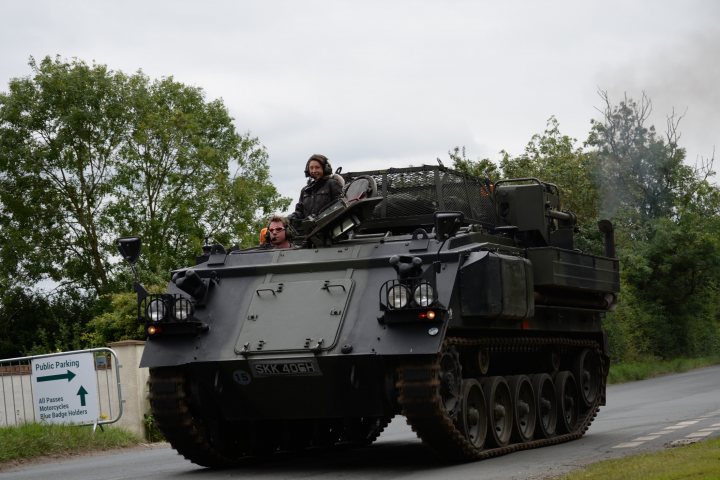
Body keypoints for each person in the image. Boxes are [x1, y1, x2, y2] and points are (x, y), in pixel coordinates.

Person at [292, 154, 343, 220]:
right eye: (311, 168)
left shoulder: (332, 184)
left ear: (325, 168)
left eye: (317, 167)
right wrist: (292, 217)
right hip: (312, 229)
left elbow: (340, 205)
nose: (314, 171)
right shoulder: (305, 190)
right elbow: (299, 212)